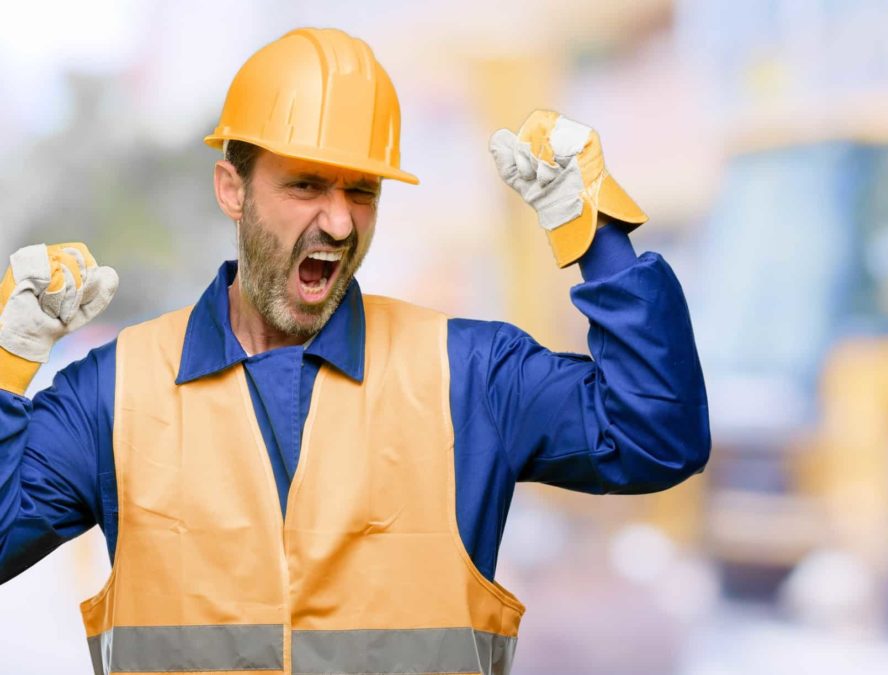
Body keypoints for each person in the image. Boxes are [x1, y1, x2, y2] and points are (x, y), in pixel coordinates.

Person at [0, 27, 708, 675]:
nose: (338, 220)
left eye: (360, 191)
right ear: (231, 189)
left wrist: (598, 238)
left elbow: (655, 433)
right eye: (306, 184)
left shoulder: (467, 377)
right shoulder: (115, 394)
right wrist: (6, 365)